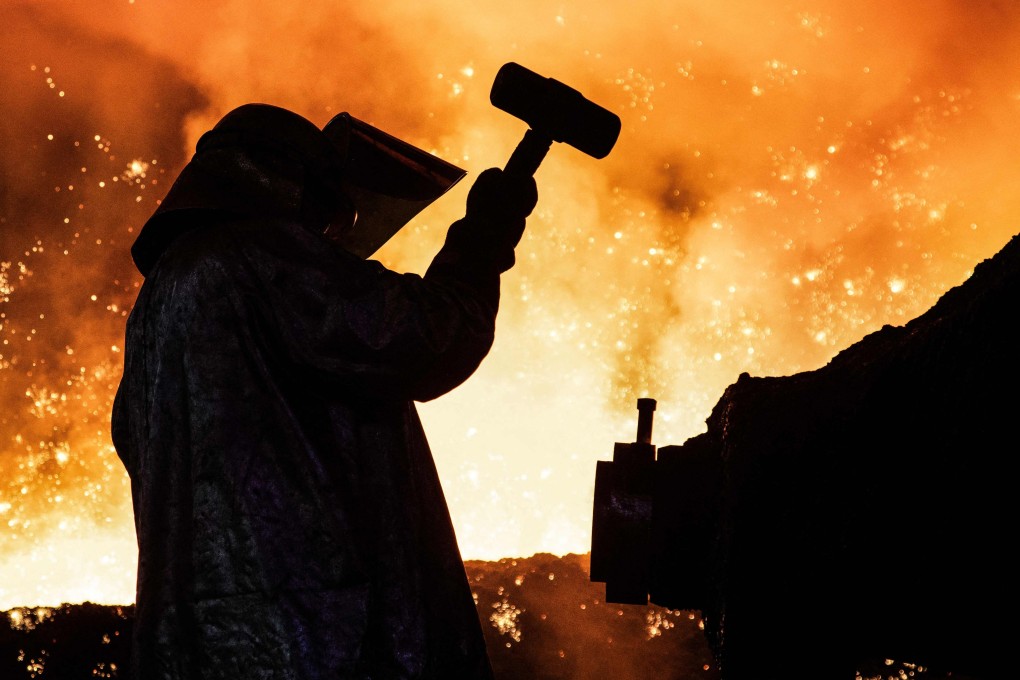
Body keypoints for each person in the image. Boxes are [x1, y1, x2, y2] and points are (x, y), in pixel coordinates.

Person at [111, 103, 538, 679]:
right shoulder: (260, 256)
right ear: (281, 181)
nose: (328, 232)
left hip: (201, 641)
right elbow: (430, 337)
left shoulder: (158, 303)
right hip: (317, 633)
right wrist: (483, 238)